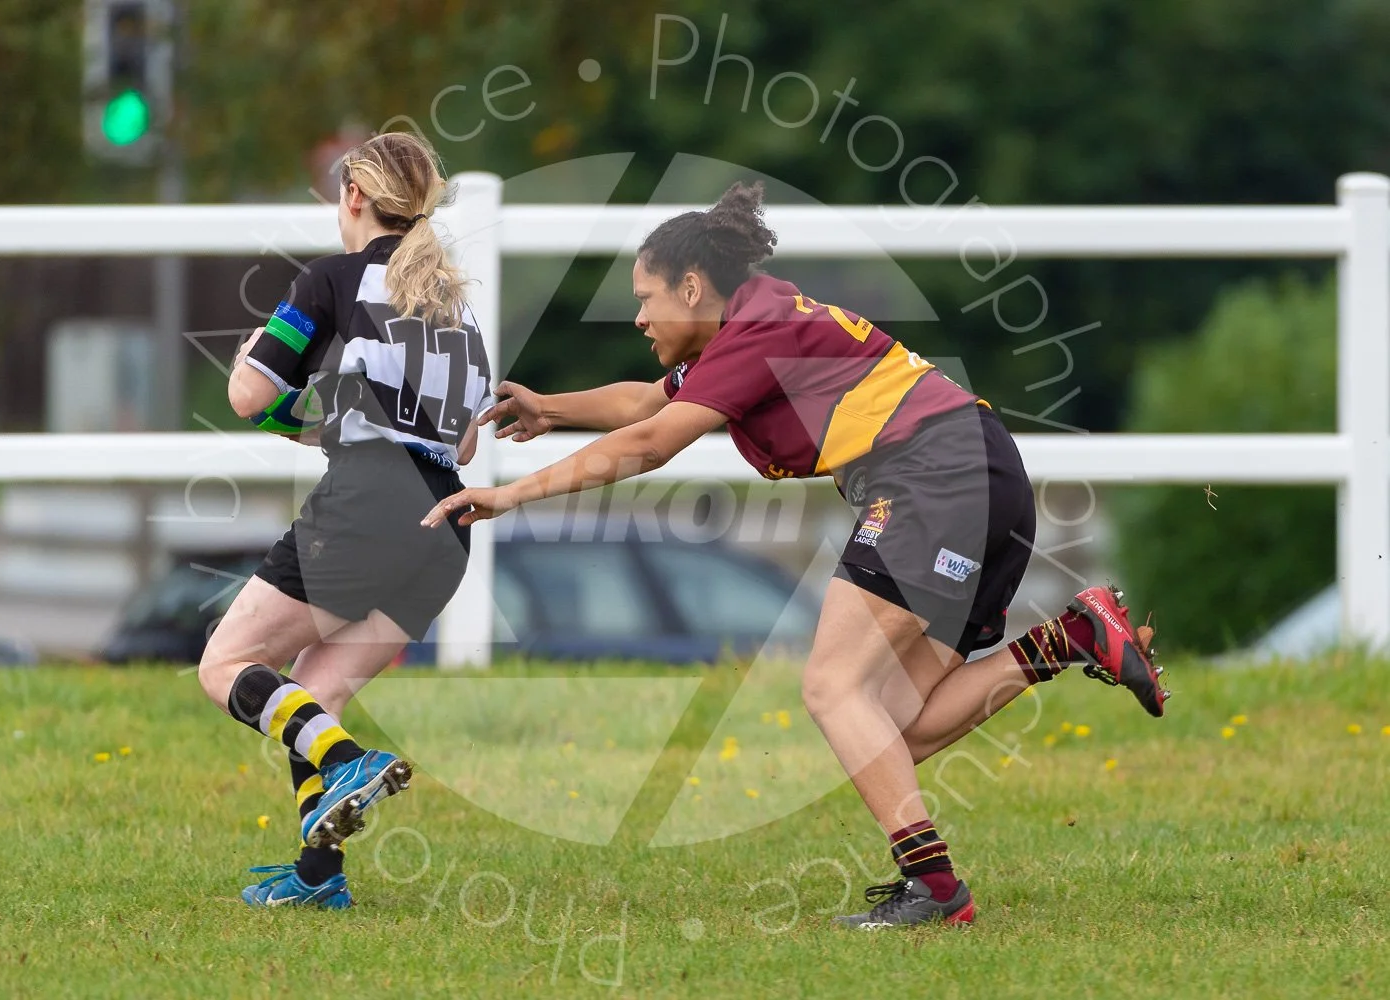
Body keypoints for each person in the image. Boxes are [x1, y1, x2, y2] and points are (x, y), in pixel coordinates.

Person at [424, 181, 1168, 929]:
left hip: (936, 478)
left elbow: (651, 442)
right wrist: (551, 408)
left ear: (693, 286)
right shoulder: (745, 323)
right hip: (977, 475)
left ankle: (936, 890)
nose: (642, 316)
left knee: (832, 689)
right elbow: (645, 402)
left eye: (648, 297)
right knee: (891, 728)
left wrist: (509, 496)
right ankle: (1067, 637)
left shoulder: (755, 334)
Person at [200, 131, 494, 908]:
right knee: (313, 693)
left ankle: (350, 762)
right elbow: (458, 437)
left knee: (224, 666)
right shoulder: (451, 303)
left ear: (354, 198)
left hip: (367, 505)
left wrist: (246, 365)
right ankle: (318, 879)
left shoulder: (330, 279)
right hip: (445, 525)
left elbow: (249, 398)